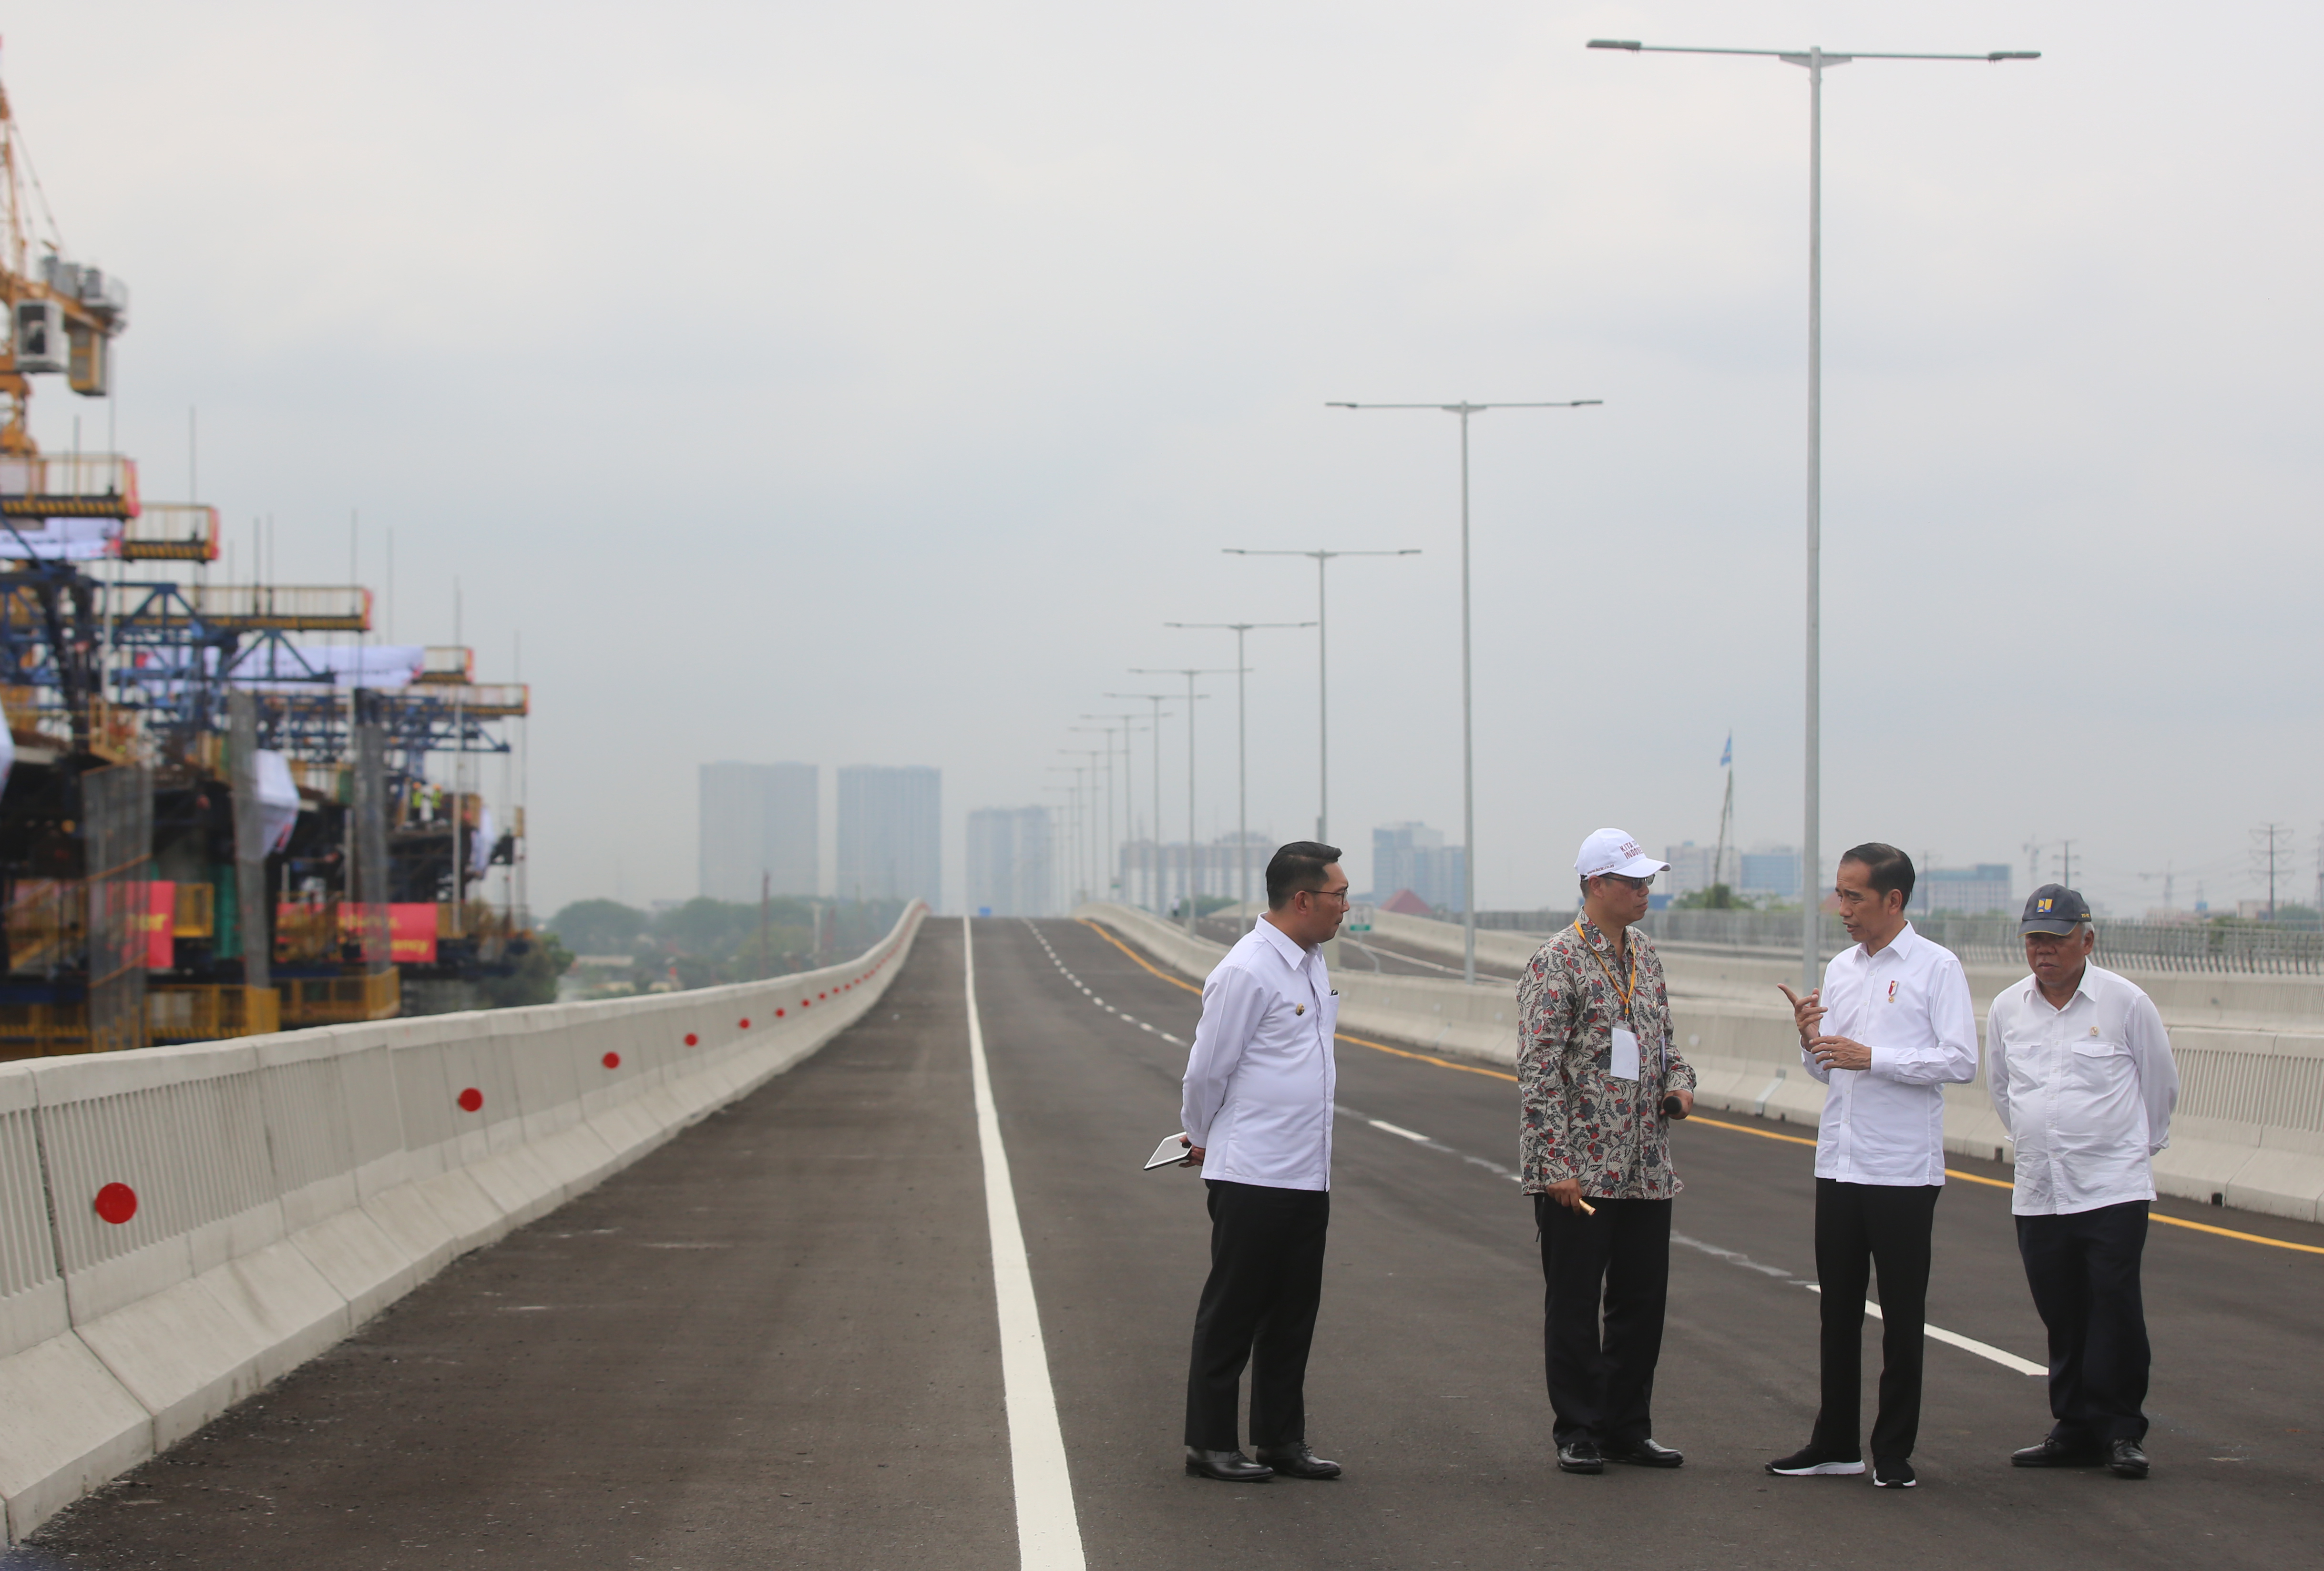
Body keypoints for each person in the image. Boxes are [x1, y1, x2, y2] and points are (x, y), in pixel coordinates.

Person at [1767, 843, 1977, 1490]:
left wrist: (1874, 1058)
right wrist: (1809, 1042)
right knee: (1836, 1311)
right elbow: (1828, 1065)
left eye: (1853, 897)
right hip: (1839, 1161)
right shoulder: (1840, 969)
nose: (1841, 909)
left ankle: (1892, 1450)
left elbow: (1959, 1060)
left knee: (1901, 1315)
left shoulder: (1934, 967)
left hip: (1900, 1170)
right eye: (1838, 894)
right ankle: (1834, 1443)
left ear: (1893, 900)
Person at [1518, 827, 1697, 1477]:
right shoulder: (1556, 961)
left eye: (1648, 881)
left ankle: (1627, 1426)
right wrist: (1555, 1164)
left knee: (1638, 1305)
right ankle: (1578, 1429)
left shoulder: (1644, 955)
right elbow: (1538, 1071)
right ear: (1596, 885)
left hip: (1645, 1165)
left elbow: (1664, 1039)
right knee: (1573, 1305)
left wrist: (1679, 1083)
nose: (1644, 892)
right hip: (1580, 1171)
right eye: (1632, 882)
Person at [1987, 885, 2178, 1480]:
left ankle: (2121, 1430)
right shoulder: (2007, 1007)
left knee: (2114, 1308)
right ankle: (2073, 1429)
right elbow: (2001, 1089)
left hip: (2110, 1188)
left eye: (2057, 938)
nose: (2044, 950)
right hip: (2040, 1188)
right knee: (2062, 1311)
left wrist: (2127, 1152)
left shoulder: (2125, 1002)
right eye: (2035, 939)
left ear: (2087, 940)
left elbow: (2160, 1086)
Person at [1178, 841, 1348, 1483]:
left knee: (1290, 1315)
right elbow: (1206, 1069)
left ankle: (1281, 1440)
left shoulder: (1308, 962)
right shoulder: (1247, 970)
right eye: (1337, 896)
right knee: (1233, 1311)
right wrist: (1198, 1136)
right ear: (1301, 899)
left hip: (1306, 1169)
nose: (1345, 908)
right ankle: (1209, 1444)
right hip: (1252, 1173)